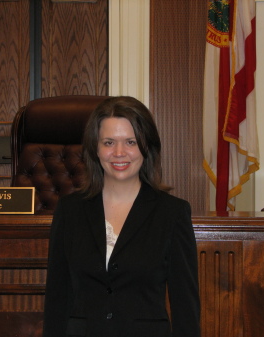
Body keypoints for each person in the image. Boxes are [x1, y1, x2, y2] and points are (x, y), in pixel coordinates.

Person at [43, 96, 200, 337]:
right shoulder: (69, 210)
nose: (119, 153)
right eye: (108, 142)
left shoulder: (173, 213)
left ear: (147, 147)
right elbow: (57, 298)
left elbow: (185, 307)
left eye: (130, 142)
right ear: (95, 148)